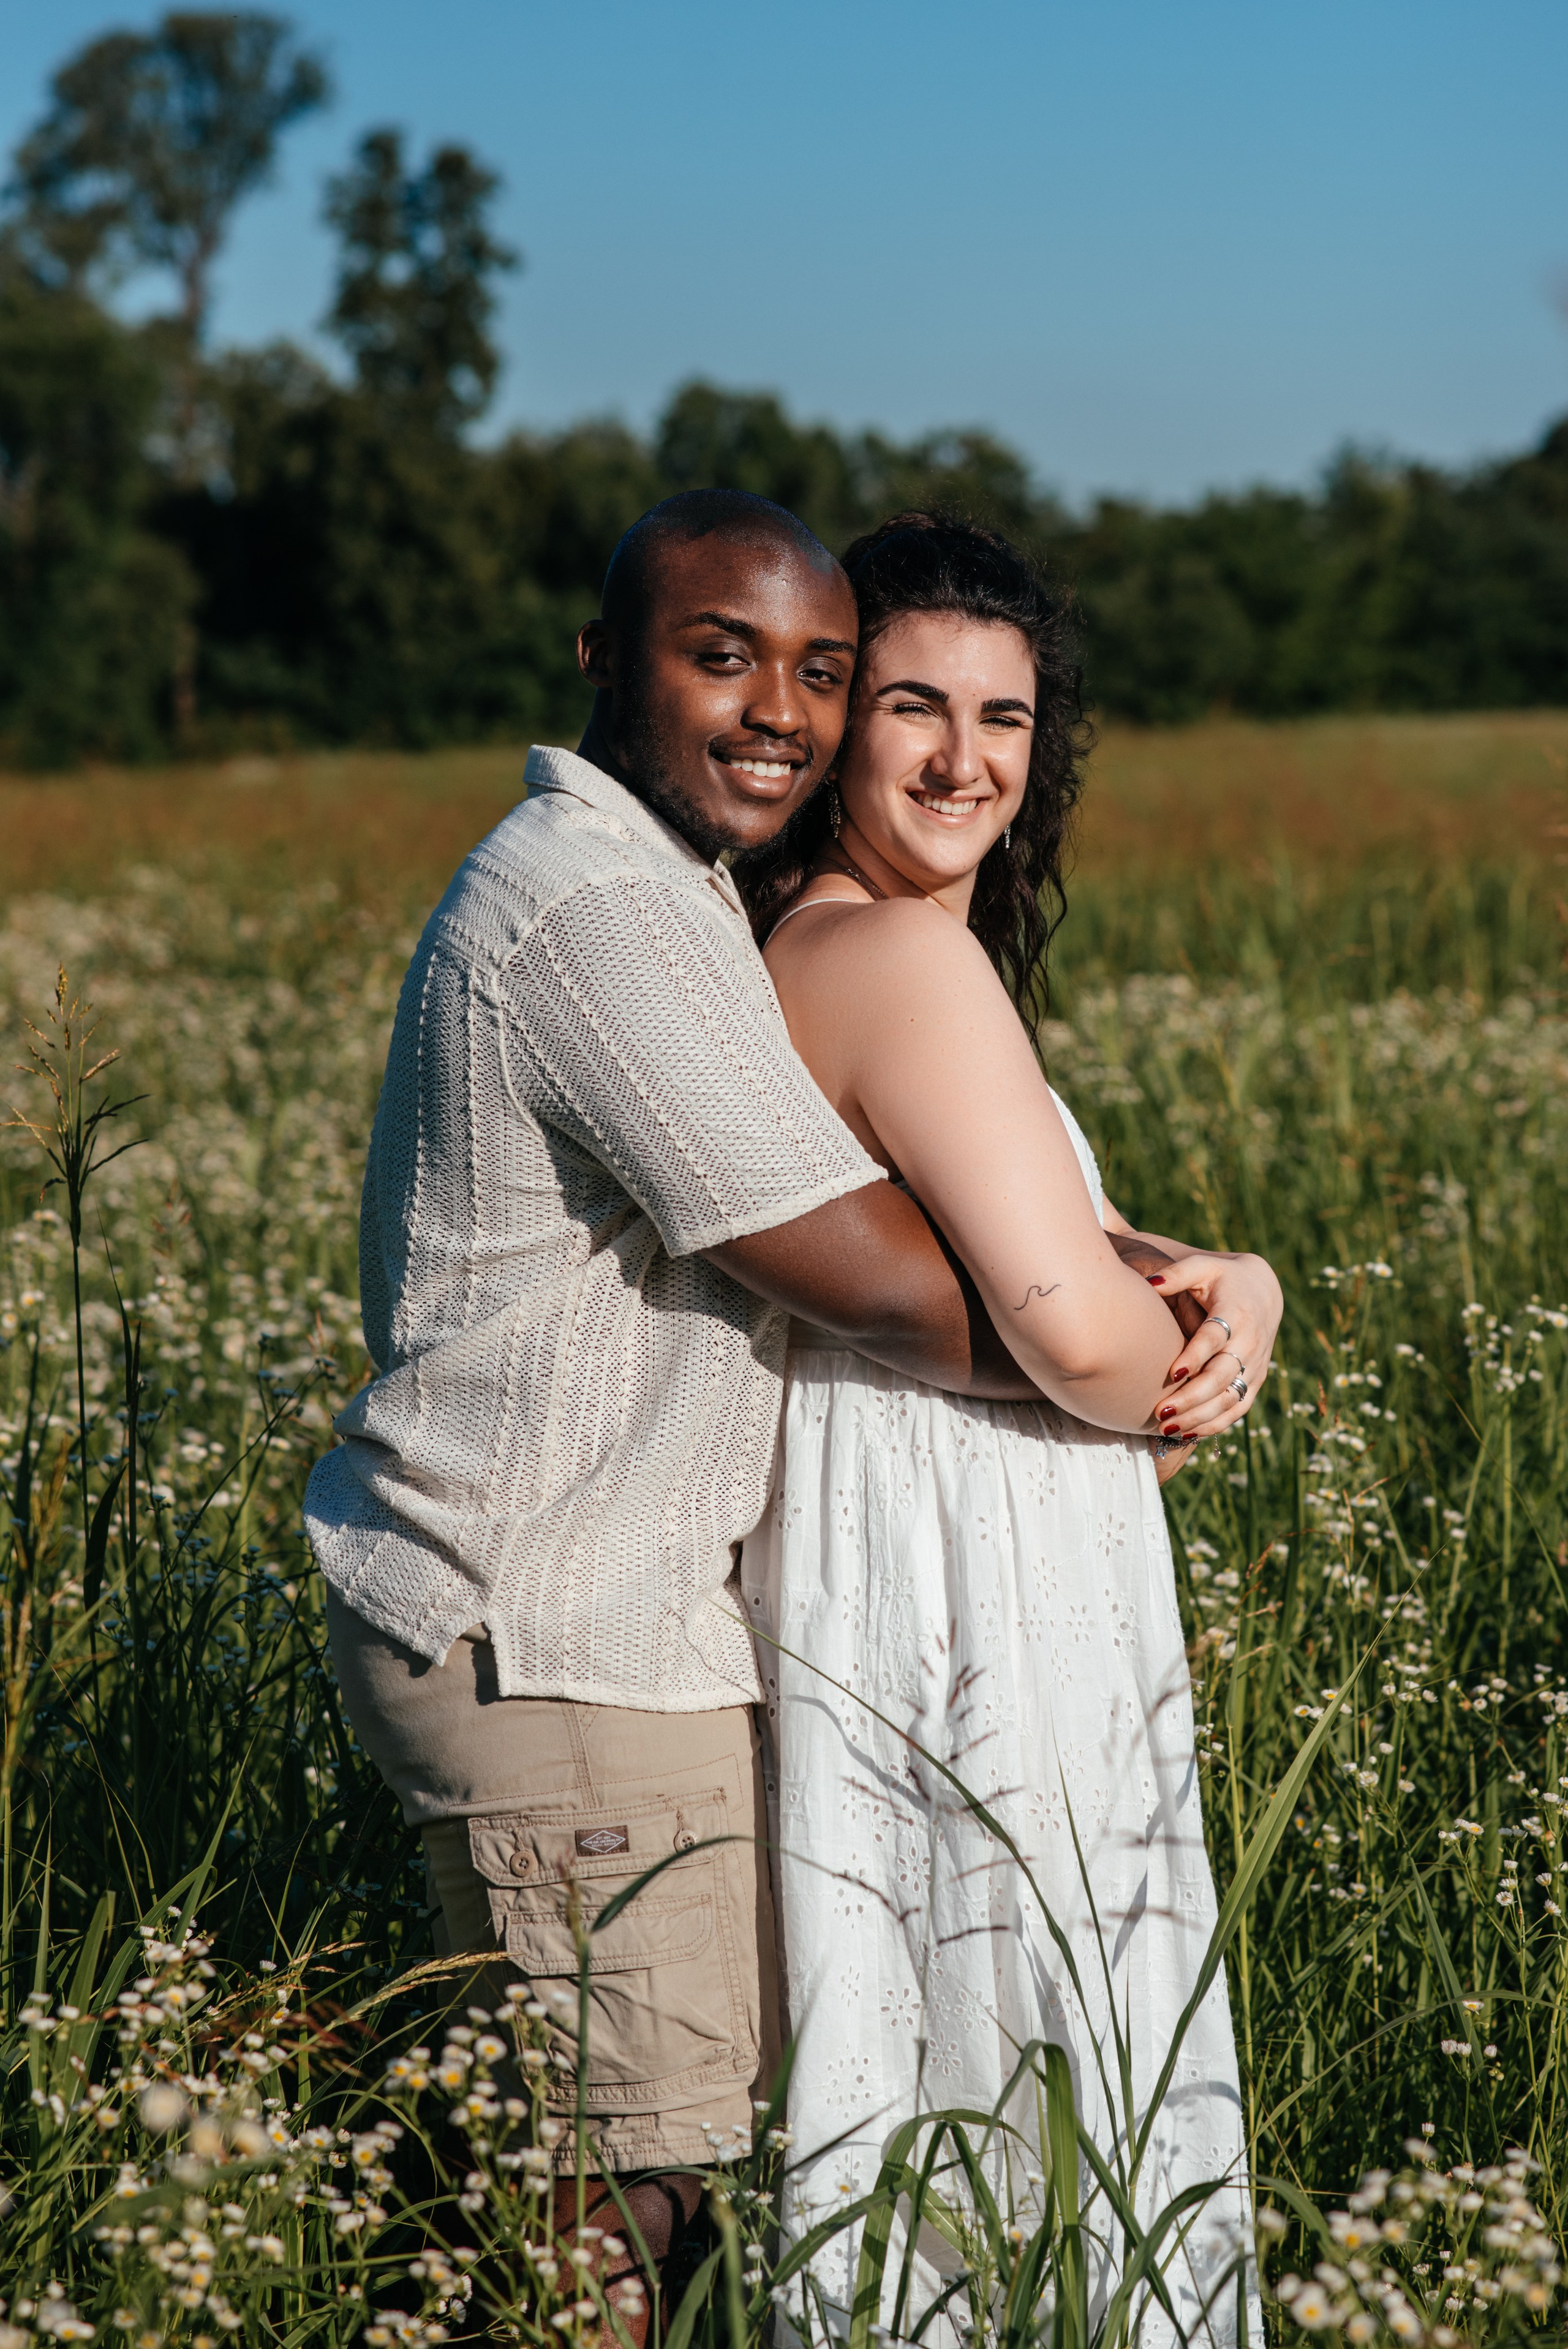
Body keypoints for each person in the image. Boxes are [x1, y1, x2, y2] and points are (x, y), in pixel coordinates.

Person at [304, 489, 1076, 2340]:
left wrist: (1157, 1260)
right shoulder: (593, 906)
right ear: (602, 661)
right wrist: (1110, 1345)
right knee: (616, 2198)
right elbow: (877, 1268)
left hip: (598, 1632)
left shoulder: (684, 897)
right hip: (552, 1635)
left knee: (619, 2164)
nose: (777, 713)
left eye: (820, 672)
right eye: (719, 655)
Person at [737, 512, 1283, 2344]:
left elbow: (1028, 1241)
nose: (966, 759)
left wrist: (1230, 1274)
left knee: (948, 2055)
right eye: (912, 705)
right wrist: (1176, 1366)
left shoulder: (825, 942)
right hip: (969, 1568)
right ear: (834, 722)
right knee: (1039, 2053)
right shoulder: (894, 952)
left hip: (919, 1539)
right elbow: (1068, 1333)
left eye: (1006, 716)